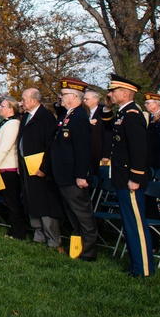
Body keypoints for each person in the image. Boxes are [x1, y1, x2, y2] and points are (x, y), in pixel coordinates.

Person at [104, 73, 154, 277]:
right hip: (122, 177)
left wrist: (135, 177)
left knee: (136, 225)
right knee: (129, 223)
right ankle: (136, 264)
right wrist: (107, 107)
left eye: (114, 91)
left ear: (125, 93)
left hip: (130, 178)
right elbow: (108, 127)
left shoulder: (132, 114)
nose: (110, 93)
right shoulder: (123, 113)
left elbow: (139, 150)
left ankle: (143, 268)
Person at [51, 77, 98, 261]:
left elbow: (82, 149)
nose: (60, 97)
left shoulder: (78, 117)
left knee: (83, 214)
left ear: (74, 96)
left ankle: (89, 251)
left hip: (73, 176)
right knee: (72, 213)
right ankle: (78, 247)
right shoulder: (68, 114)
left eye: (63, 94)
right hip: (64, 174)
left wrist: (81, 175)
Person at [18, 87, 65, 250]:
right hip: (27, 166)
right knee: (32, 201)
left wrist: (44, 167)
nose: (22, 103)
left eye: (24, 99)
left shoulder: (45, 118)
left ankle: (53, 238)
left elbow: (49, 145)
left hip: (40, 169)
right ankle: (38, 234)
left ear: (33, 100)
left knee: (45, 203)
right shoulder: (26, 117)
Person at [0, 97, 25, 240]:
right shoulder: (3, 122)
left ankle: (18, 233)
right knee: (9, 202)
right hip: (2, 167)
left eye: (3, 106)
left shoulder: (13, 124)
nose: (0, 108)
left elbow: (4, 148)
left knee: (13, 201)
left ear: (11, 109)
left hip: (8, 167)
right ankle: (12, 229)